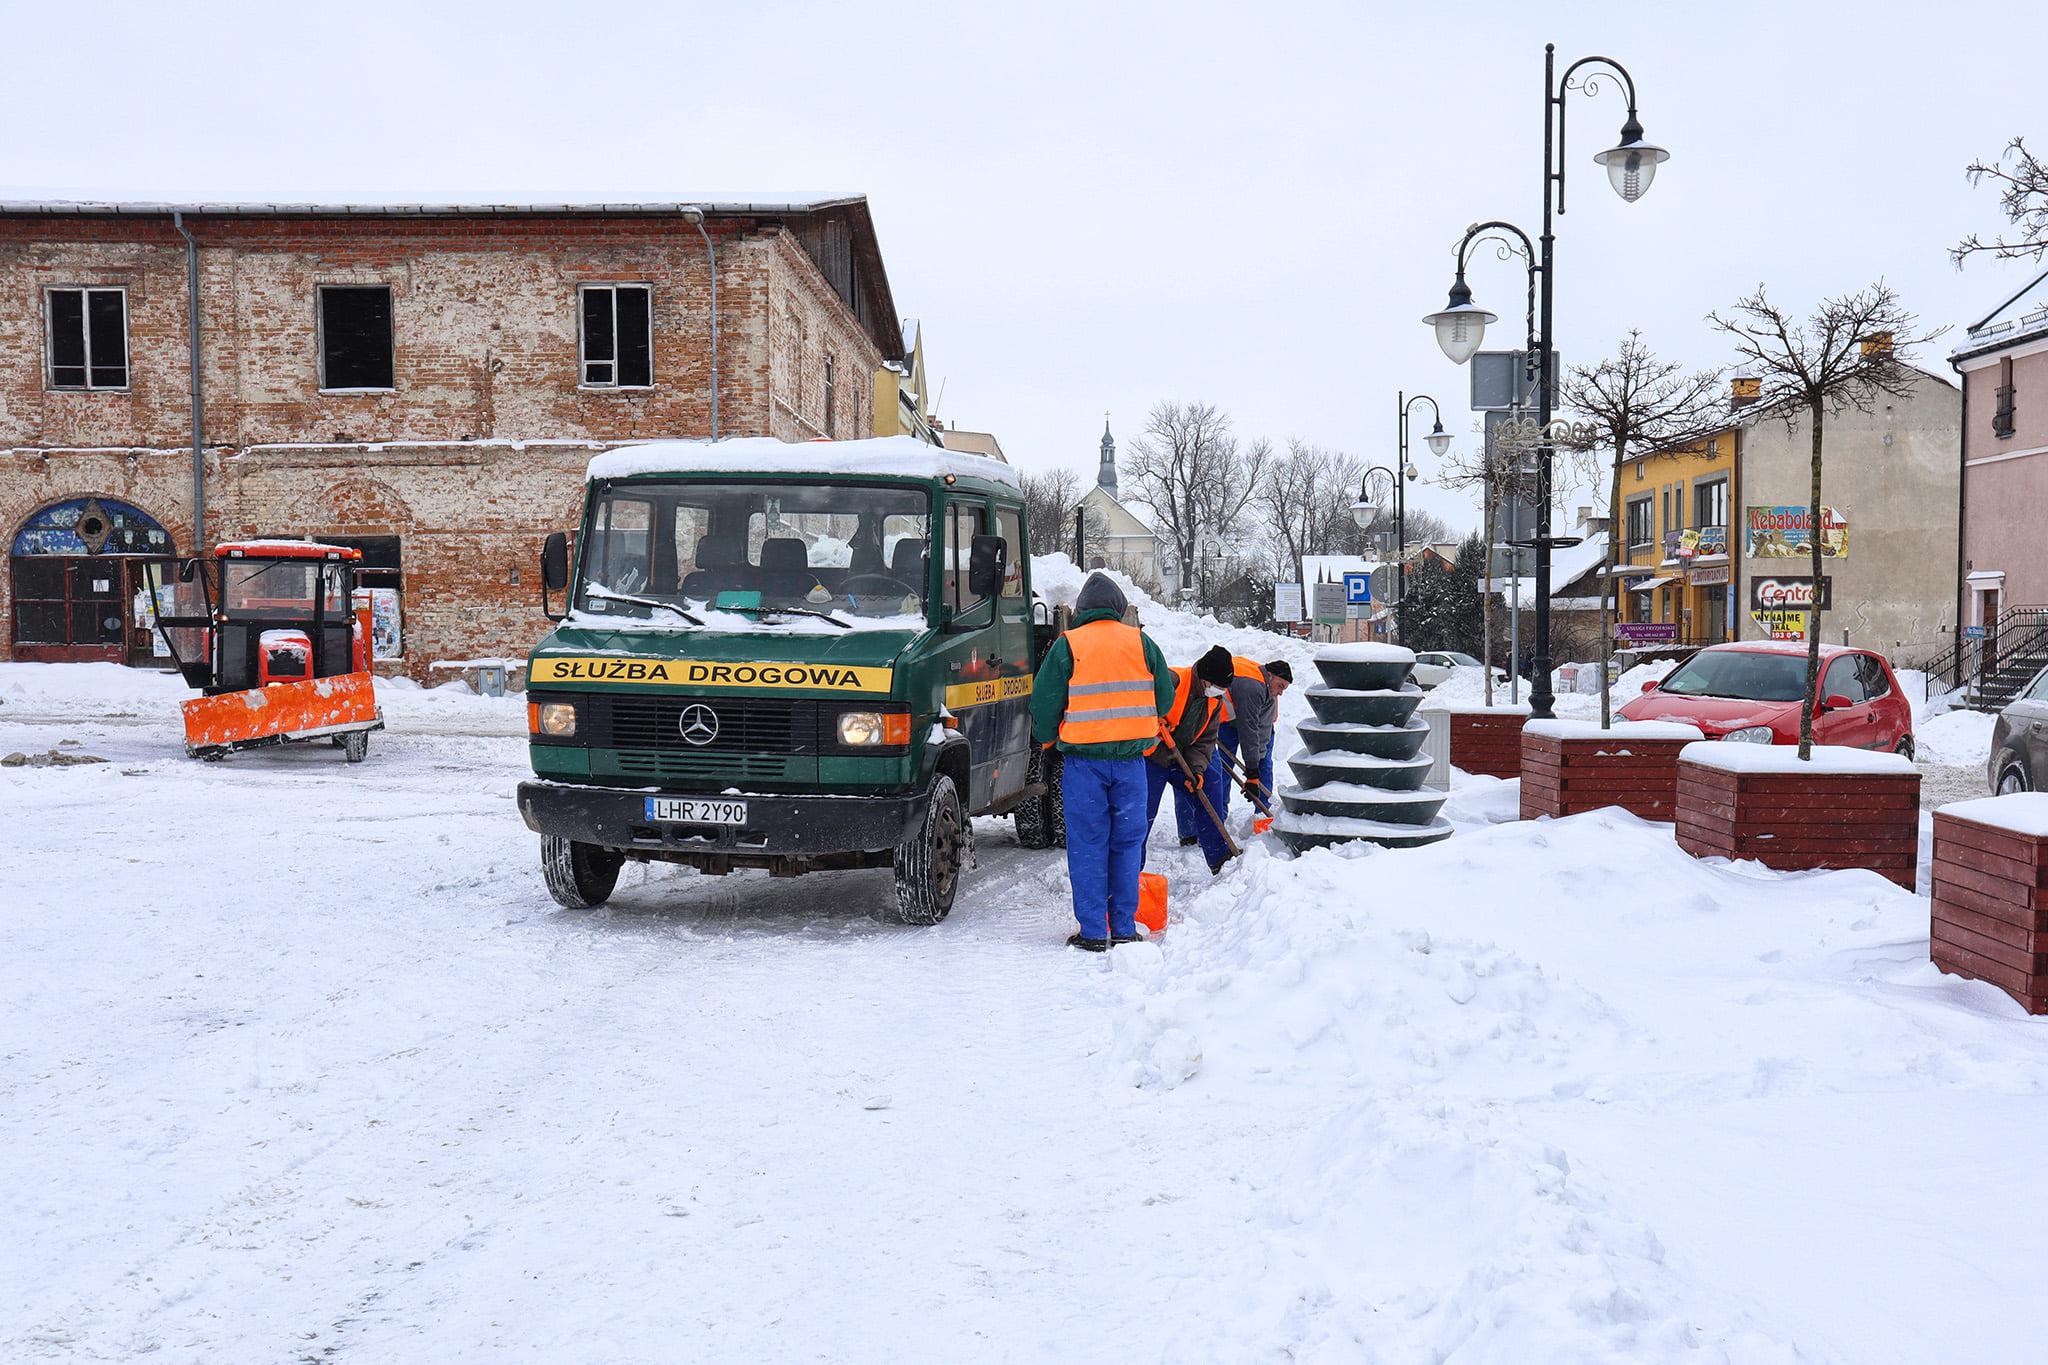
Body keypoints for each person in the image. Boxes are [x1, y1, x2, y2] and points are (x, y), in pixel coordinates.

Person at [1029, 573, 1176, 952]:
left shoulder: (1068, 645)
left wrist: (1048, 738)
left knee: (1088, 844)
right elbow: (1165, 694)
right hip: (1131, 764)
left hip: (1084, 765)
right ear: (1118, 607)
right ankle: (1124, 927)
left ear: (1081, 610)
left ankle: (1094, 932)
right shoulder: (1141, 643)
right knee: (1127, 843)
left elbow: (1043, 702)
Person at [1147, 645, 1237, 875]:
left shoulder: (1214, 701)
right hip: (1151, 757)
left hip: (1183, 756)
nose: (1221, 693)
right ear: (1206, 679)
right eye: (1218, 687)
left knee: (1209, 786)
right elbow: (1137, 706)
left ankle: (1220, 861)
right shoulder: (1172, 681)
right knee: (1140, 814)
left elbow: (1206, 740)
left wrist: (1196, 770)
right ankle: (1128, 873)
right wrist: (1152, 725)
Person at [1217, 658, 1292, 819]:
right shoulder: (1252, 687)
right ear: (1270, 675)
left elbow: (1258, 737)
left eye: (1284, 689)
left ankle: (1262, 816)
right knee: (1222, 767)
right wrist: (1252, 774)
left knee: (1262, 761)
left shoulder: (1267, 693)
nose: (1280, 692)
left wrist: (1254, 774)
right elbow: (1248, 729)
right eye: (1280, 686)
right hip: (1229, 720)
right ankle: (1217, 819)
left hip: (1255, 723)